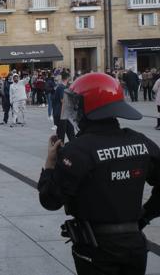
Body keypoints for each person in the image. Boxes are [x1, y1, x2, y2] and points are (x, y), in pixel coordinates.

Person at [38, 73, 160, 275]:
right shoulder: (140, 141)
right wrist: (144, 216)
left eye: (77, 106)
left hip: (96, 248)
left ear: (88, 108)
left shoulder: (78, 150)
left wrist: (50, 164)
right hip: (135, 245)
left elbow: (50, 200)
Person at [53, 72, 76, 142]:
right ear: (68, 78)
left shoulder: (64, 87)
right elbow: (63, 100)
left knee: (71, 132)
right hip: (61, 114)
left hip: (65, 114)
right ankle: (59, 150)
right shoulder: (61, 87)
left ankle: (74, 147)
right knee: (61, 135)